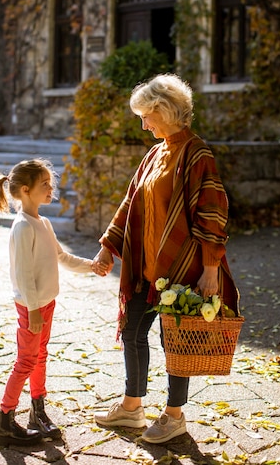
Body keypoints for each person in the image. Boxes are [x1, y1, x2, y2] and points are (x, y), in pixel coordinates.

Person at [93, 73, 240, 444]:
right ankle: (131, 408)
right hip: (146, 267)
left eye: (146, 116)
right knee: (132, 332)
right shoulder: (155, 153)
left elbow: (212, 212)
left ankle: (174, 416)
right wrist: (108, 247)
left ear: (164, 110)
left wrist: (210, 269)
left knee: (176, 341)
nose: (143, 125)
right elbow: (131, 204)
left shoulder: (197, 153)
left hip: (184, 265)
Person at [0, 158, 106, 447]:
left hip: (46, 304)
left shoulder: (43, 222)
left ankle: (37, 411)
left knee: (40, 356)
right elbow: (23, 274)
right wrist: (32, 310)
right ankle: (5, 420)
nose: (50, 188)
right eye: (45, 184)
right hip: (32, 307)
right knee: (26, 360)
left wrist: (90, 265)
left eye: (50, 184)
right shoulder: (22, 227)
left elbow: (62, 257)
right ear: (26, 190)